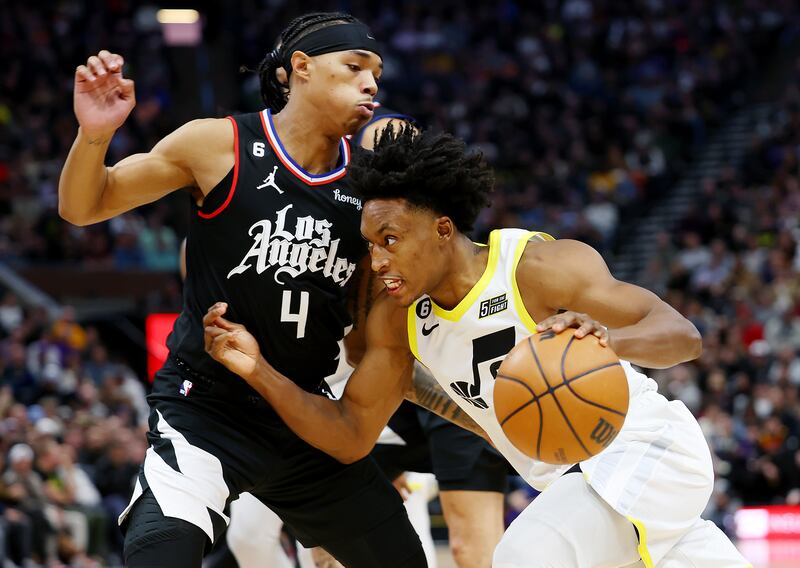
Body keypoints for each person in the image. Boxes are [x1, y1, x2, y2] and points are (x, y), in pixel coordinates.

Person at [204, 127, 752, 567]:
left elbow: (683, 335)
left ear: (443, 229)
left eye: (390, 240)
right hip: (573, 481)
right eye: (371, 246)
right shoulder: (401, 322)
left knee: (523, 555)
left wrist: (612, 340)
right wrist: (259, 372)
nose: (377, 262)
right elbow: (350, 433)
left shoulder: (535, 267)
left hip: (644, 448)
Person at [58, 12, 430, 567]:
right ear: (300, 68)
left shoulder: (372, 184)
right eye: (355, 67)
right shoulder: (217, 144)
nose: (372, 82)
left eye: (376, 71)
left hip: (304, 411)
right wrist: (95, 135)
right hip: (206, 410)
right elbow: (84, 206)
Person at [208, 107, 507, 568]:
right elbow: (361, 354)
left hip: (437, 380)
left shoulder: (429, 234)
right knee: (262, 538)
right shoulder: (332, 224)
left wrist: (486, 420)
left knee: (469, 546)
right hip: (349, 388)